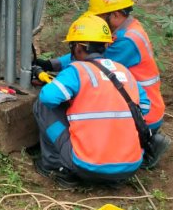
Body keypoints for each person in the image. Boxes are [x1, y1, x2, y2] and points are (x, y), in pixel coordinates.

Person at [34, 0, 170, 169]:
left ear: (114, 15)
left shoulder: (128, 41)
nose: (97, 21)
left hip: (141, 115)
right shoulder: (125, 32)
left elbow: (90, 64)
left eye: (99, 17)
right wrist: (51, 64)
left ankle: (58, 163)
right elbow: (90, 51)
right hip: (138, 104)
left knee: (71, 106)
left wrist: (55, 78)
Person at [33, 14, 148, 188]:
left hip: (88, 166)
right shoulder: (123, 71)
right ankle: (113, 165)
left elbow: (48, 97)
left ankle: (54, 165)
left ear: (78, 47)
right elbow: (144, 107)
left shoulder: (77, 70)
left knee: (42, 105)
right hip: (129, 166)